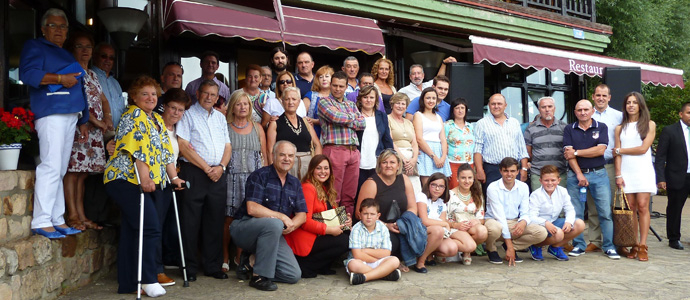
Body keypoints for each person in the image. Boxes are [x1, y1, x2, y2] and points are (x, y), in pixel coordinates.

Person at [103, 75, 186, 296]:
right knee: (150, 226)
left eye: (153, 94)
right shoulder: (134, 115)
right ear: (134, 97)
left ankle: (130, 283)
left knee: (134, 229)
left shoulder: (156, 119)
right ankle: (148, 278)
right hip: (126, 179)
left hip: (143, 180)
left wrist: (173, 177)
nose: (150, 98)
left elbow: (167, 153)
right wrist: (146, 178)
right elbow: (140, 150)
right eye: (144, 94)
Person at [20, 8, 88, 239]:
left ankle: (56, 218)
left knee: (60, 168)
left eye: (63, 27)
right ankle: (41, 219)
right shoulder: (35, 46)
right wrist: (60, 78)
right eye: (53, 26)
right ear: (43, 28)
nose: (59, 30)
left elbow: (79, 86)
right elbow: (28, 74)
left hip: (70, 114)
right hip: (51, 112)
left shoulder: (67, 55)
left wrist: (84, 119)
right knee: (50, 165)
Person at [230, 141, 307, 291]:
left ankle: (249, 262)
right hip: (244, 228)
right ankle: (259, 277)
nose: (287, 159)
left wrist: (292, 225)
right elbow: (252, 208)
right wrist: (282, 218)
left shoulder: (295, 183)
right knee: (276, 223)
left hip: (272, 234)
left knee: (293, 275)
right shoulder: (260, 175)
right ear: (273, 156)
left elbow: (302, 215)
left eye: (290, 156)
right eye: (282, 155)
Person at [177, 80, 232, 281]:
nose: (209, 97)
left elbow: (227, 146)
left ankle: (212, 266)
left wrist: (221, 168)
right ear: (198, 94)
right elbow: (182, 145)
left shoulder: (220, 118)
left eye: (213, 95)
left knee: (215, 221)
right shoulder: (188, 115)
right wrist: (207, 168)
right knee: (190, 221)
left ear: (218, 98)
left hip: (218, 174)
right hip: (195, 172)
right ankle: (189, 268)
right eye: (206, 93)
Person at [62, 31, 112, 232]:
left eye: (88, 47)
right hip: (78, 127)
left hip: (94, 131)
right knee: (72, 171)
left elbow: (104, 100)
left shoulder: (91, 74)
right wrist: (96, 121)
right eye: (79, 46)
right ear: (72, 49)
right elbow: (77, 102)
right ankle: (71, 214)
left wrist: (107, 118)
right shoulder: (71, 71)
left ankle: (81, 215)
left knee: (82, 174)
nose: (84, 51)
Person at [563, 100, 619, 259]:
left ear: (592, 111)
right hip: (576, 176)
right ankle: (579, 244)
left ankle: (609, 246)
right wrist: (579, 174)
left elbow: (600, 150)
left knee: (604, 212)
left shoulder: (601, 127)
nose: (583, 112)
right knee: (576, 212)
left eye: (586, 109)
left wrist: (577, 152)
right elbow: (568, 155)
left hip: (599, 175)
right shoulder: (569, 129)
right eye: (579, 110)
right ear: (575, 112)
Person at [284, 155, 351, 278]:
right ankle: (305, 265)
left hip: (318, 234)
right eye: (318, 168)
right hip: (306, 236)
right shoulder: (308, 187)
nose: (323, 172)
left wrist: (346, 221)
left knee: (347, 234)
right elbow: (305, 221)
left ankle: (321, 266)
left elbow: (334, 214)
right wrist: (330, 230)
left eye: (326, 168)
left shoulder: (325, 188)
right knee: (343, 241)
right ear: (312, 170)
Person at [223, 91, 267, 272]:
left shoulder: (257, 127)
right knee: (229, 219)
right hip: (230, 179)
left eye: (246, 104)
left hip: (253, 180)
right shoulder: (224, 127)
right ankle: (225, 256)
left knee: (248, 218)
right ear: (232, 107)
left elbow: (264, 154)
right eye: (239, 104)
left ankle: (240, 256)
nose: (242, 107)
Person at [355, 149, 420, 272]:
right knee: (392, 241)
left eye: (392, 162)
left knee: (415, 232)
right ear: (379, 165)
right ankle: (385, 264)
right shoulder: (372, 183)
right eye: (384, 162)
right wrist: (385, 225)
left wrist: (402, 224)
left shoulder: (404, 179)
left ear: (398, 165)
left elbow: (412, 207)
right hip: (376, 226)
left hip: (399, 223)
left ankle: (405, 262)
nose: (388, 165)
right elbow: (360, 214)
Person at [613, 92, 656, 261]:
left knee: (643, 206)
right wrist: (618, 174)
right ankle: (634, 243)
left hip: (643, 170)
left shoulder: (649, 125)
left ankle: (643, 245)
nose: (631, 105)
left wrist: (619, 150)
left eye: (635, 102)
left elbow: (643, 149)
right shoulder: (619, 128)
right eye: (628, 102)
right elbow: (617, 154)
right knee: (630, 209)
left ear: (640, 105)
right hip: (626, 171)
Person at [484, 157, 547, 266]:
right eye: (506, 171)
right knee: (495, 228)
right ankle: (491, 249)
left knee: (541, 232)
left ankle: (512, 247)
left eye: (513, 171)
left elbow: (525, 211)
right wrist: (509, 245)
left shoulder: (523, 187)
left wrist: (523, 222)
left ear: (518, 171)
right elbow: (499, 216)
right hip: (495, 221)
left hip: (513, 221)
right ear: (500, 171)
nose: (509, 174)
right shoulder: (493, 187)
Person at [319, 71, 366, 215]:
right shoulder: (324, 101)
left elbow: (363, 123)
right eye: (335, 85)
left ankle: (346, 228)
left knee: (350, 194)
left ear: (347, 87)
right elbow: (335, 117)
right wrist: (353, 118)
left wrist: (347, 118)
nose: (337, 89)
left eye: (341, 86)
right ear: (330, 85)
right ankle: (333, 228)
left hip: (353, 151)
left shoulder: (351, 104)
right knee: (334, 193)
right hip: (335, 149)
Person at [585, 84, 623, 253]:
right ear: (593, 96)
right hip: (592, 166)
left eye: (604, 95)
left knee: (612, 206)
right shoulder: (586, 113)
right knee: (593, 206)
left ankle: (616, 240)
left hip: (611, 165)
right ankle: (595, 240)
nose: (601, 98)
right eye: (598, 95)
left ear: (609, 97)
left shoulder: (619, 116)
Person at [158, 88, 190, 277]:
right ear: (165, 106)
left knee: (170, 223)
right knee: (158, 224)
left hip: (172, 180)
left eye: (180, 110)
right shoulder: (156, 125)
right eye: (173, 108)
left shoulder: (178, 129)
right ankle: (156, 265)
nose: (176, 113)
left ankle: (167, 258)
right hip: (157, 180)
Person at [474, 94, 530, 194]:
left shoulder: (514, 123)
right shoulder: (481, 123)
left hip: (513, 169)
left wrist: (524, 168)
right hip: (492, 169)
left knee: (514, 200)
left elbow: (522, 148)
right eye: (493, 104)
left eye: (499, 104)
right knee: (492, 201)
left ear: (505, 105)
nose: (496, 106)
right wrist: (479, 169)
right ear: (489, 105)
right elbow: (478, 149)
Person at [527, 165, 585, 261]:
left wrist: (568, 222)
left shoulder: (562, 191)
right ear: (540, 181)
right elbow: (531, 216)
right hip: (539, 224)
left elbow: (570, 209)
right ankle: (536, 245)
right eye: (546, 180)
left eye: (553, 180)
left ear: (558, 180)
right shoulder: (536, 195)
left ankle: (555, 247)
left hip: (554, 221)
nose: (550, 183)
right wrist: (545, 222)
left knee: (580, 224)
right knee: (558, 234)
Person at [416, 173, 472, 269]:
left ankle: (431, 252)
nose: (437, 189)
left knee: (453, 249)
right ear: (428, 184)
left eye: (441, 186)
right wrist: (445, 224)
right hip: (422, 230)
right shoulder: (422, 196)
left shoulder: (441, 202)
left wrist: (446, 225)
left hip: (438, 232)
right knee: (438, 230)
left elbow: (442, 220)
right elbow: (424, 220)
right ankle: (421, 260)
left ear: (445, 188)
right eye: (434, 185)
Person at [655, 102, 690, 251]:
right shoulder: (669, 131)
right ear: (681, 114)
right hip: (677, 175)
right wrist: (661, 178)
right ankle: (674, 238)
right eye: (689, 112)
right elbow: (660, 156)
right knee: (675, 208)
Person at [267, 87, 322, 179]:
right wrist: (273, 172)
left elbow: (317, 145)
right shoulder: (275, 123)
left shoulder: (306, 122)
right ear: (282, 101)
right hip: (285, 167)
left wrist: (316, 165)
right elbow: (270, 150)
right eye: (287, 99)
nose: (290, 102)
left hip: (307, 167)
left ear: (299, 102)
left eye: (294, 99)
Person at [346, 198, 402, 285]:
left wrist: (365, 250)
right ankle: (384, 274)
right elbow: (357, 255)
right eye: (365, 214)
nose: (369, 217)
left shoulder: (383, 228)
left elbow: (386, 252)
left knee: (395, 260)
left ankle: (364, 277)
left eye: (372, 214)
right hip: (361, 262)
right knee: (353, 264)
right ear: (360, 215)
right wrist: (375, 258)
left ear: (378, 216)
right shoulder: (356, 229)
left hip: (378, 262)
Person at [447, 164, 488, 265]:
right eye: (463, 178)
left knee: (482, 231)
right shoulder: (449, 195)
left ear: (473, 179)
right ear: (457, 178)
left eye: (470, 178)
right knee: (467, 242)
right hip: (454, 227)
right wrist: (456, 225)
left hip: (470, 227)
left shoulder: (477, 194)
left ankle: (466, 251)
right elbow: (443, 219)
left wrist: (477, 221)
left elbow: (482, 218)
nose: (467, 181)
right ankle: (445, 247)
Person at [524, 96, 568, 190]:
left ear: (554, 109)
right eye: (543, 107)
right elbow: (528, 153)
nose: (547, 110)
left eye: (550, 106)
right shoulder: (531, 129)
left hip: (560, 174)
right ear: (539, 109)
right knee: (538, 203)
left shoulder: (564, 127)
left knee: (559, 203)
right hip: (538, 174)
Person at [355, 85, 394, 189]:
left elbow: (387, 139)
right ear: (360, 99)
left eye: (371, 97)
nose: (368, 100)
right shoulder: (355, 115)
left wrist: (391, 157)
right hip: (358, 161)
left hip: (376, 162)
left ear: (376, 99)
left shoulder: (382, 116)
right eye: (365, 97)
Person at [413, 87, 451, 186]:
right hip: (426, 153)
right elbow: (419, 139)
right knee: (427, 187)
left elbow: (443, 139)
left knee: (441, 186)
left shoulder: (438, 117)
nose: (431, 101)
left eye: (433, 98)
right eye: (428, 98)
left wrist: (443, 157)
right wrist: (434, 157)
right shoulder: (418, 115)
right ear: (423, 100)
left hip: (439, 152)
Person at [388, 93, 422, 194]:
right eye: (397, 103)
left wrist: (413, 160)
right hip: (396, 157)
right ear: (392, 105)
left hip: (411, 159)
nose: (400, 106)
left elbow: (414, 143)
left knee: (415, 190)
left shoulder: (408, 122)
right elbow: (391, 141)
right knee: (400, 190)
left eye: (403, 104)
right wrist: (403, 159)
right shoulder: (387, 119)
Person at [92, 42, 126, 129]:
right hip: (95, 130)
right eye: (104, 56)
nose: (108, 60)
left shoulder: (115, 83)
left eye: (111, 58)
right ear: (95, 57)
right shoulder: (90, 77)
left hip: (115, 134)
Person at [444, 97, 475, 189]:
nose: (460, 110)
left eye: (462, 108)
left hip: (469, 163)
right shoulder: (447, 125)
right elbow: (443, 144)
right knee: (454, 189)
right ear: (453, 110)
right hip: (453, 163)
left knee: (468, 190)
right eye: (457, 108)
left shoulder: (470, 126)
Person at [303, 65, 334, 138]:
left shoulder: (336, 97)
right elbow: (301, 116)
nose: (324, 79)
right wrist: (315, 121)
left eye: (327, 76)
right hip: (313, 133)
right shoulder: (310, 95)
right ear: (317, 80)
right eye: (321, 77)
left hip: (331, 136)